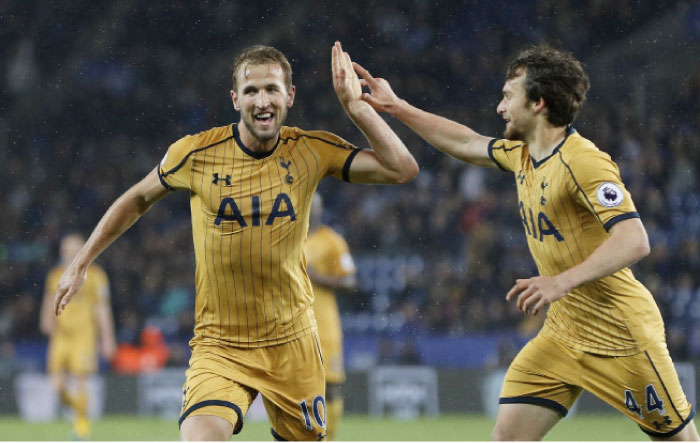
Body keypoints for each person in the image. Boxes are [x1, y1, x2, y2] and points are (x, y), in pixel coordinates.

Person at [53, 42, 418, 441]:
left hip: (292, 342)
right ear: (235, 99)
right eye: (251, 91)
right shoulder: (195, 153)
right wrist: (82, 261)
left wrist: (356, 108)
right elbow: (138, 197)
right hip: (220, 344)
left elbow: (401, 168)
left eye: (272, 89)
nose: (262, 101)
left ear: (289, 96)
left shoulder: (312, 149)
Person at [352, 43, 699, 440]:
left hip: (620, 335)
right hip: (563, 335)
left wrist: (559, 282)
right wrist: (396, 106)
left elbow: (635, 240)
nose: (500, 107)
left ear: (537, 104)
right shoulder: (522, 154)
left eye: (507, 96)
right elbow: (465, 142)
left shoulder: (584, 161)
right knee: (507, 437)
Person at [39, 233, 116, 439]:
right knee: (57, 384)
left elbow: (102, 308)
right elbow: (48, 300)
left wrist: (108, 338)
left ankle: (81, 427)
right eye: (66, 250)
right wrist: (46, 319)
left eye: (74, 249)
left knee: (81, 379)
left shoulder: (96, 275)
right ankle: (77, 410)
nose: (69, 253)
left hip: (85, 335)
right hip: (61, 335)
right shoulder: (55, 275)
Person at [306, 192, 357, 441]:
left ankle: (329, 437)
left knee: (330, 387)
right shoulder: (284, 237)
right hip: (290, 324)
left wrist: (318, 278)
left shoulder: (332, 241)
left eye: (315, 206)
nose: (311, 210)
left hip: (323, 324)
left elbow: (349, 280)